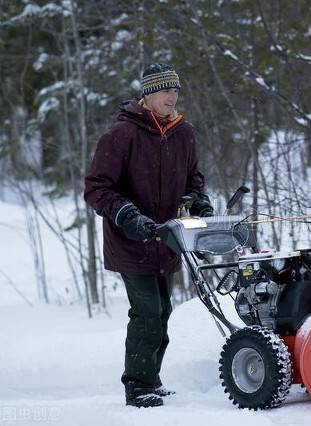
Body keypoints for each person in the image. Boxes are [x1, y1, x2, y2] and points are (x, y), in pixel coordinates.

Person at [84, 63, 214, 408]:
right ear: (148, 94)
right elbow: (97, 187)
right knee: (147, 312)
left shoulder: (183, 132)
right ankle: (137, 385)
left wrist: (198, 201)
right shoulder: (121, 134)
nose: (173, 95)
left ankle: (151, 379)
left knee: (164, 310)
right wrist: (125, 214)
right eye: (166, 89)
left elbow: (193, 180)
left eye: (176, 89)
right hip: (130, 239)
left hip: (166, 239)